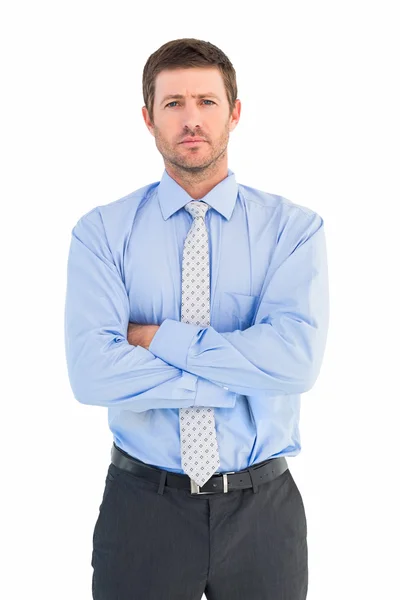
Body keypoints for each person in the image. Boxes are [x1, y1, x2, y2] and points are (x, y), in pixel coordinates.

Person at [64, 37, 329, 600]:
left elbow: (296, 364)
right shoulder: (103, 234)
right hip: (143, 510)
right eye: (173, 103)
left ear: (235, 112)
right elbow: (92, 374)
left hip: (265, 515)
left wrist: (158, 339)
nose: (191, 119)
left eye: (207, 102)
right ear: (148, 117)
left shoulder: (293, 230)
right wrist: (237, 377)